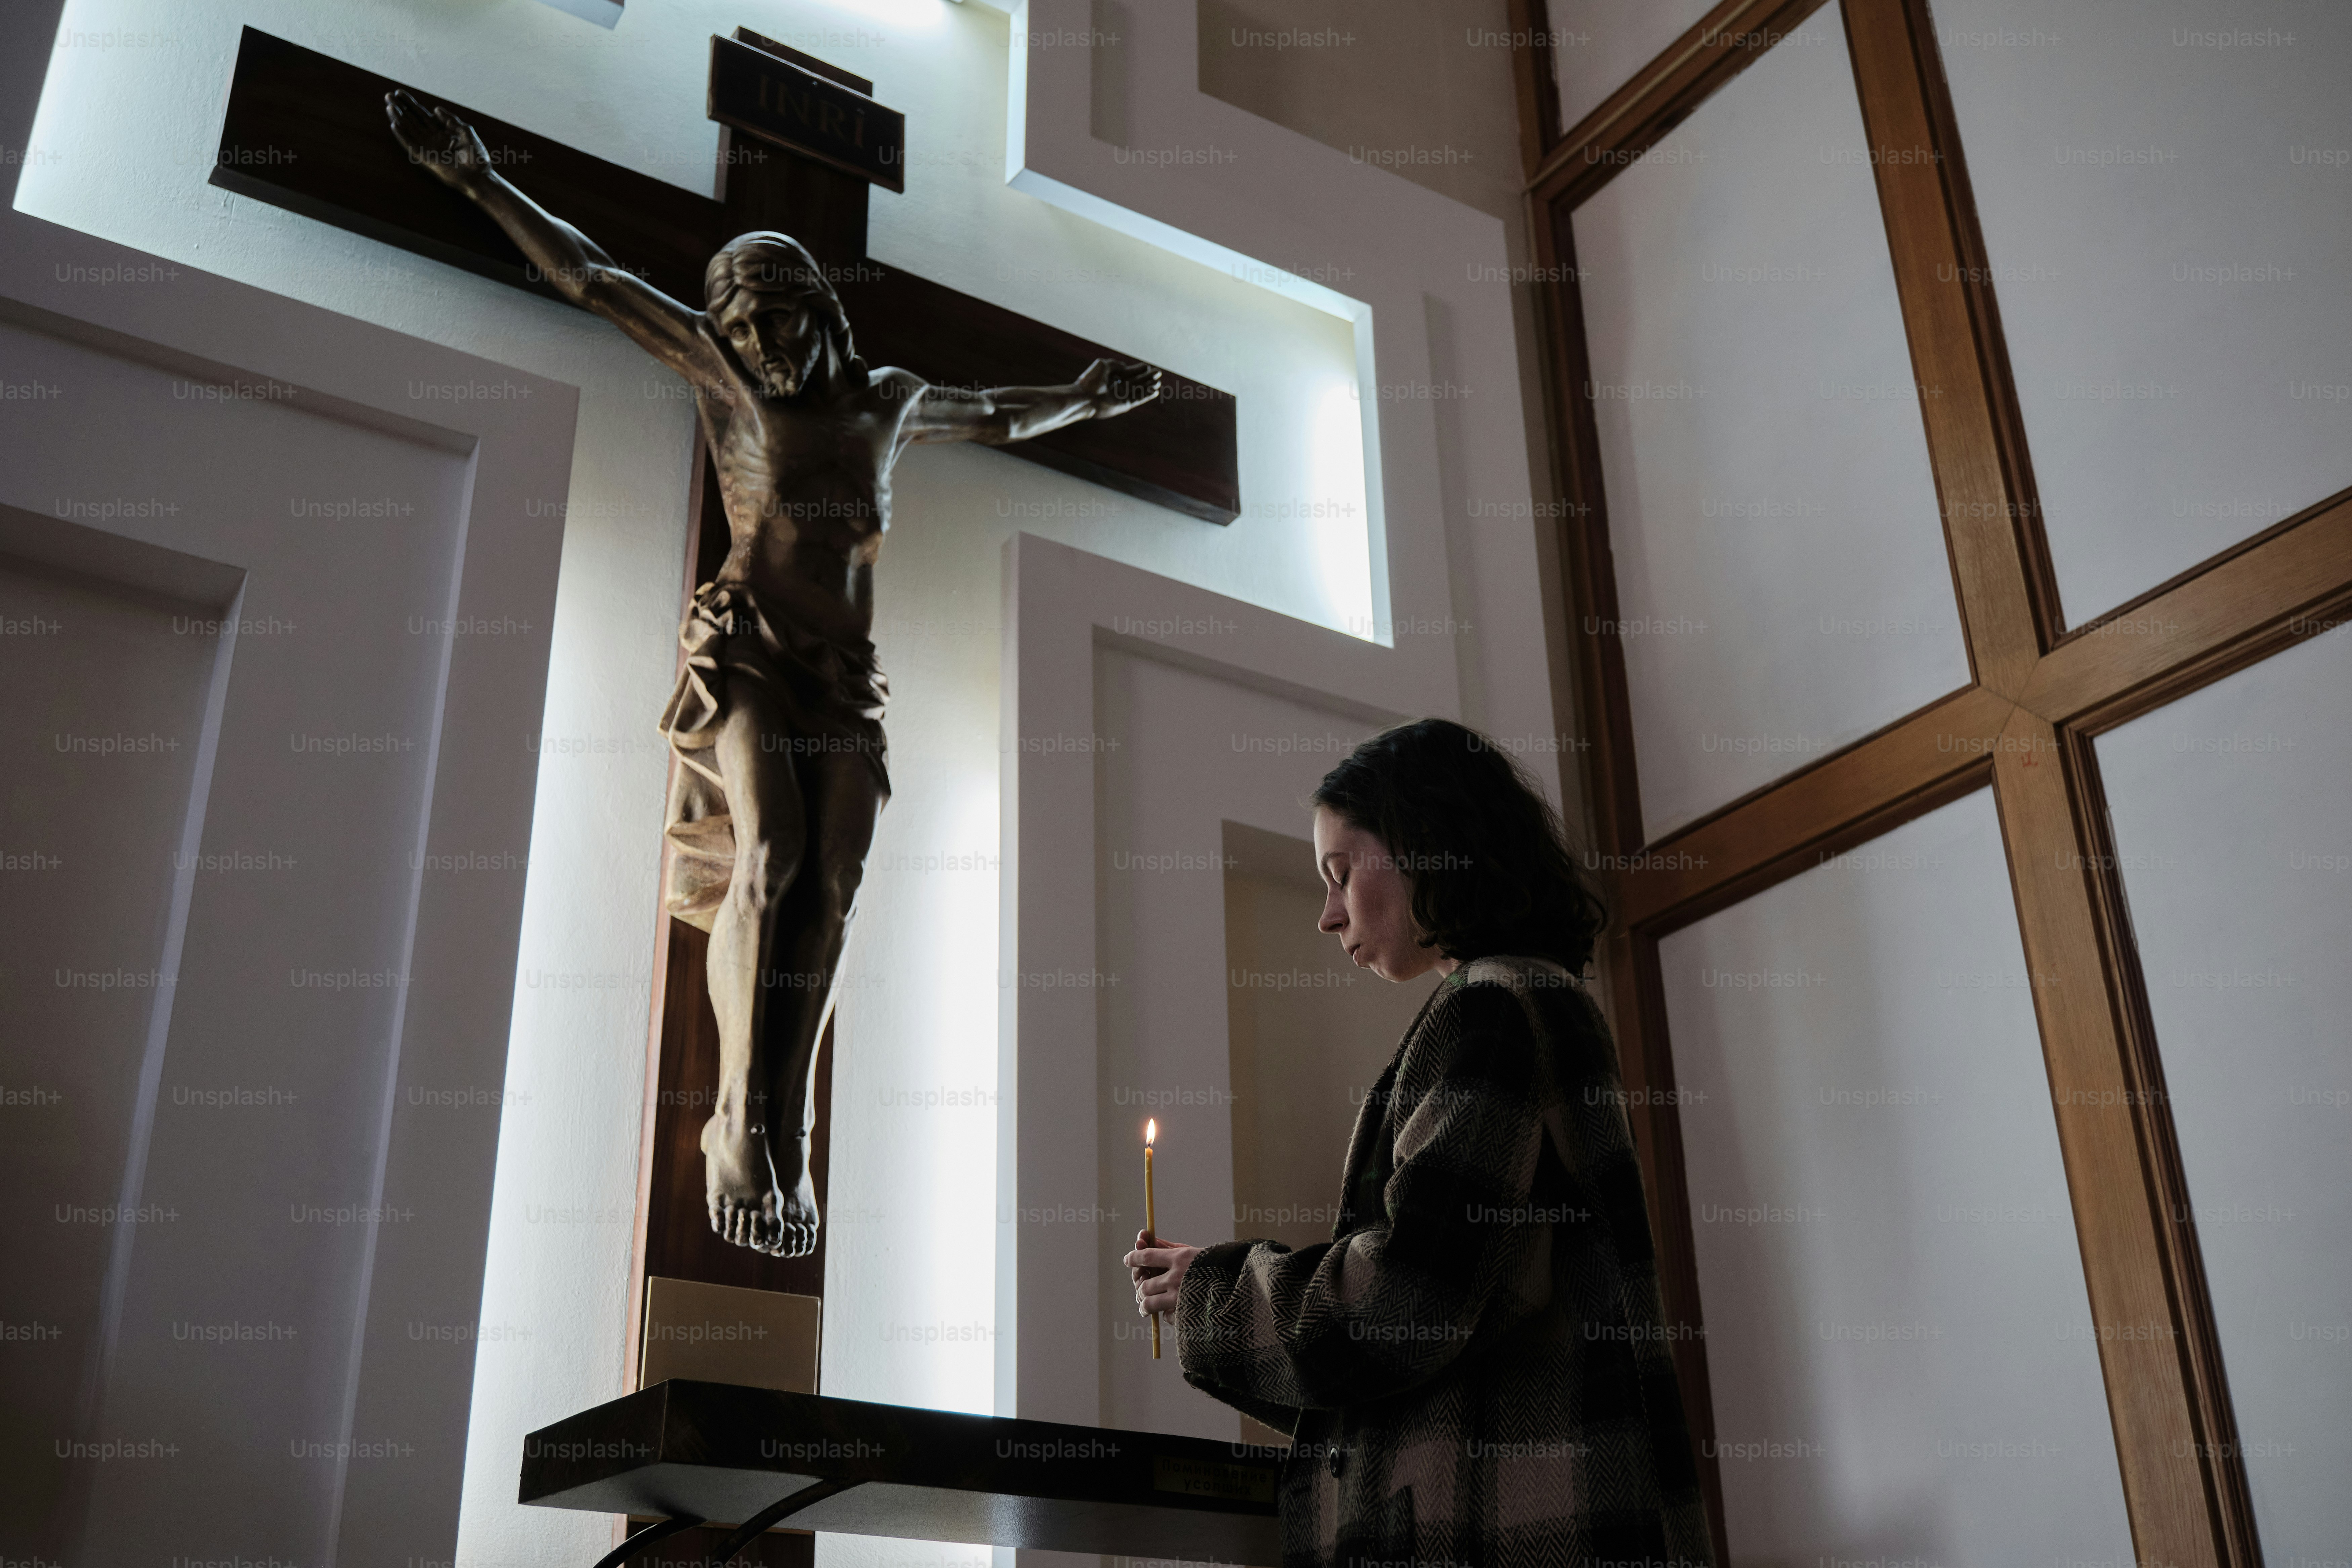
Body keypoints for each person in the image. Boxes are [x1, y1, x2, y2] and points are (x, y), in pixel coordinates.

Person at [385, 90, 1160, 1257]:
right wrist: (477, 178)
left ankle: (786, 1118)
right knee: (776, 852)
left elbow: (996, 410)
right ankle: (739, 1122)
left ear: (819, 315)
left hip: (845, 674)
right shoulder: (724, 379)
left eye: (779, 323)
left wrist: (1085, 398)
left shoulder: (887, 402)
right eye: (741, 330)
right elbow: (595, 279)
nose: (762, 346)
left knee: (837, 881)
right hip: (746, 644)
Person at [1123, 719, 1714, 1567]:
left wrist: (1212, 1291)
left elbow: (1407, 1302)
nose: (1327, 918)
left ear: (1424, 843)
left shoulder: (1492, 1005)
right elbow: (1454, 1331)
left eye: (1338, 874)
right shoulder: (1535, 998)